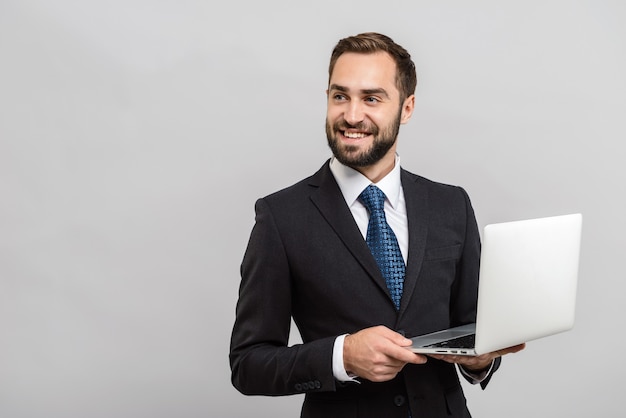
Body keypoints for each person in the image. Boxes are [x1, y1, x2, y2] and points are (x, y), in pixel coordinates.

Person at [229, 32, 524, 418]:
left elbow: (469, 330)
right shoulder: (281, 217)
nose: (352, 115)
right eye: (340, 96)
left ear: (406, 108)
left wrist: (479, 360)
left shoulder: (452, 204)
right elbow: (248, 365)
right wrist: (342, 355)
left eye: (371, 98)